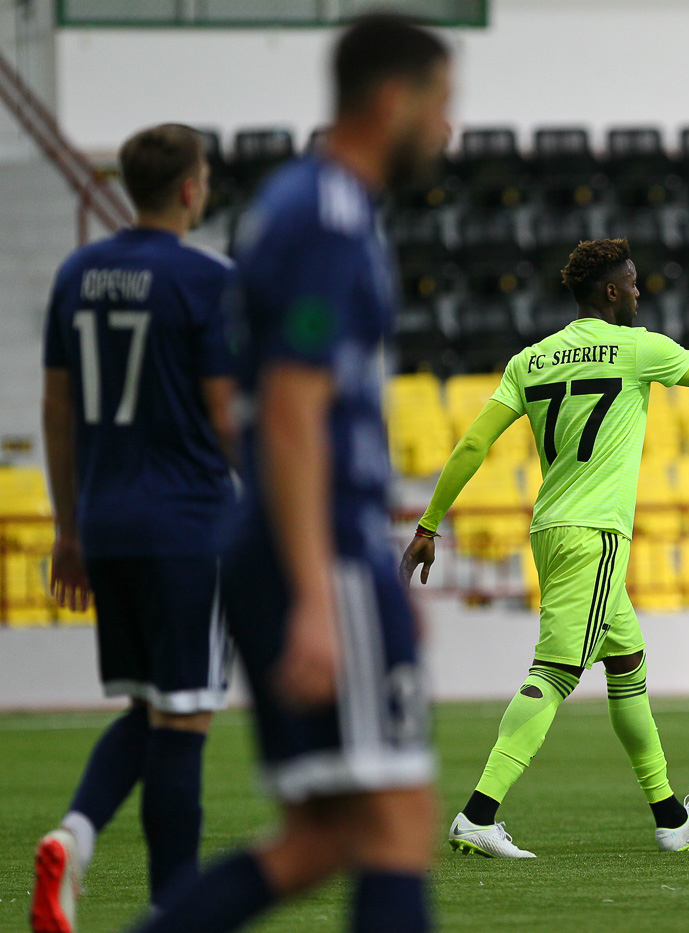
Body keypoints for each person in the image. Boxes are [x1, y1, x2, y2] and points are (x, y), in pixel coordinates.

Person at [126, 14, 450, 932]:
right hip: (316, 550)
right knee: (397, 818)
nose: (448, 129)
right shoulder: (326, 216)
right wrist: (320, 589)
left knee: (320, 836)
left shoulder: (301, 204)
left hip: (305, 543)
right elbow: (292, 409)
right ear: (392, 100)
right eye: (440, 103)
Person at [401, 238, 689, 857]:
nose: (637, 291)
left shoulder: (530, 360)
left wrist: (429, 524)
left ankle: (670, 816)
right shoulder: (637, 348)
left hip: (551, 527)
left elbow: (472, 445)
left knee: (627, 667)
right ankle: (478, 813)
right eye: (630, 282)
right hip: (595, 533)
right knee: (555, 672)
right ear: (609, 291)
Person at [31, 123, 235, 933]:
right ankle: (172, 911)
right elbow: (228, 416)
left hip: (106, 521)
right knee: (183, 719)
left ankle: (74, 835)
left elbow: (55, 407)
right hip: (187, 524)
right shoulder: (207, 278)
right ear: (189, 188)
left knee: (152, 705)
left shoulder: (77, 273)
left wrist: (69, 527)